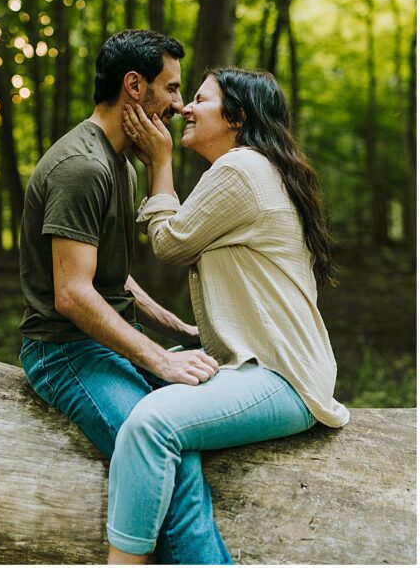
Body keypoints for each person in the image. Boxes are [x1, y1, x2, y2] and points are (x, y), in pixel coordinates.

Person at [106, 67, 349, 564]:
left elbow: (169, 244)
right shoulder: (257, 168)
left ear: (236, 117)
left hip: (282, 376)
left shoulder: (241, 170)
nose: (184, 109)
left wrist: (159, 162)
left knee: (151, 423)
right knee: (143, 377)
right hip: (262, 367)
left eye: (200, 99)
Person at [18, 29, 232, 565]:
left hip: (108, 345)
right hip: (63, 352)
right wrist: (158, 359)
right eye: (171, 89)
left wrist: (168, 327)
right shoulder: (82, 168)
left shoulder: (119, 162)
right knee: (168, 458)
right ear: (134, 86)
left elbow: (105, 274)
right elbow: (71, 294)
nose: (179, 105)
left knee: (190, 423)